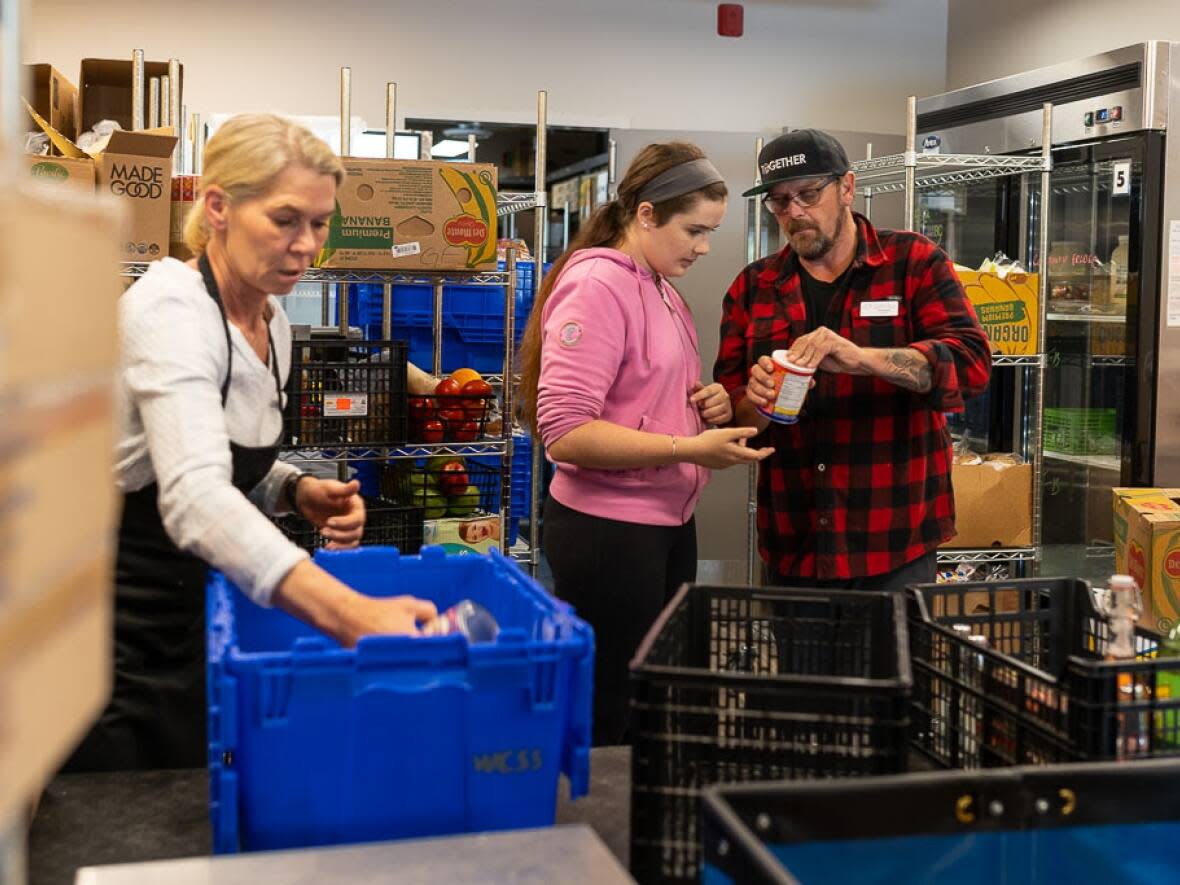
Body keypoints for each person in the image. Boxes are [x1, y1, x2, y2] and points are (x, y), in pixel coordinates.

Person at [67, 114, 437, 772]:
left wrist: (292, 486)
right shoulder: (171, 313)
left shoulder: (272, 320)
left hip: (210, 610)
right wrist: (351, 614)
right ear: (218, 208)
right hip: (123, 636)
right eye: (286, 219)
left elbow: (218, 449)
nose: (307, 246)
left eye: (321, 223)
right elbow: (196, 497)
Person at [518, 142, 773, 745]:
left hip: (663, 525)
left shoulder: (660, 288)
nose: (704, 247)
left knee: (652, 705)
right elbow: (566, 430)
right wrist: (688, 450)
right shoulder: (598, 286)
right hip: (609, 534)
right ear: (647, 214)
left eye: (711, 231)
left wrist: (704, 405)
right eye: (694, 230)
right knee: (616, 711)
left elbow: (645, 395)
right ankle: (603, 831)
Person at [714, 129, 991, 592]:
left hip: (894, 539)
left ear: (846, 187)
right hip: (795, 543)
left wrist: (862, 359)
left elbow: (972, 366)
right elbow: (732, 418)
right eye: (779, 202)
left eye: (808, 193)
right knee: (803, 667)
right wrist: (754, 403)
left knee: (896, 667)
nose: (795, 212)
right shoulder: (753, 287)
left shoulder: (913, 261)